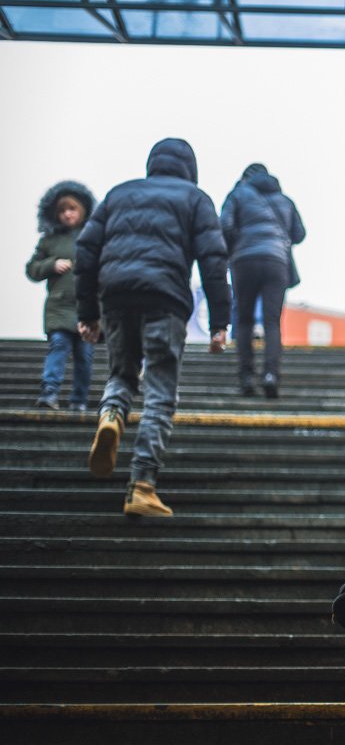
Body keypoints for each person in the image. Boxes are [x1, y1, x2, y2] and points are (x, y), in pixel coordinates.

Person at [75, 137, 231, 518]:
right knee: (160, 392)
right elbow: (213, 260)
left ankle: (111, 415)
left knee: (122, 374)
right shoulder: (195, 198)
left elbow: (85, 251)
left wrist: (88, 312)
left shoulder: (118, 193)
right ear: (189, 169)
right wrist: (219, 323)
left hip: (115, 297)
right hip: (164, 300)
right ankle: (142, 486)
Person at [219, 162, 306, 399]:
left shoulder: (237, 194)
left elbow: (224, 225)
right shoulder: (285, 200)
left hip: (244, 261)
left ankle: (247, 377)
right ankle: (271, 375)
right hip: (276, 262)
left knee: (244, 319)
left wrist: (238, 243)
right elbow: (300, 234)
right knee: (272, 321)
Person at [25, 181, 97, 412]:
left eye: (72, 209)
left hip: (87, 309)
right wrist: (51, 264)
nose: (67, 214)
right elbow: (32, 269)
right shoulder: (49, 240)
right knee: (58, 346)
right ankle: (50, 392)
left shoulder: (95, 237)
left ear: (82, 210)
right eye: (62, 210)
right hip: (59, 307)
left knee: (84, 356)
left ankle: (79, 399)